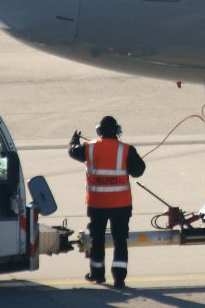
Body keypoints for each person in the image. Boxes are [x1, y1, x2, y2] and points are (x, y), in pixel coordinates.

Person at [69, 116, 146, 288]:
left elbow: (73, 151)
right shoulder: (126, 150)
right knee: (120, 239)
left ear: (99, 131)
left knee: (97, 240)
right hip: (121, 204)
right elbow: (138, 171)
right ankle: (119, 278)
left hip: (98, 204)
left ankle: (97, 275)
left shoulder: (89, 148)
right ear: (117, 131)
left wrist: (74, 141)